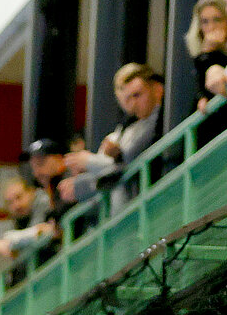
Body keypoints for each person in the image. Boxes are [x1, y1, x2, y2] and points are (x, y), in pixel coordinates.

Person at [59, 65, 166, 213]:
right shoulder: (128, 127)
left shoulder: (162, 118)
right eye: (128, 98)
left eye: (137, 95)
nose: (133, 103)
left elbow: (130, 163)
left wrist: (90, 162)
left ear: (157, 89)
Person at [184, 0, 227, 111]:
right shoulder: (198, 57)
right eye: (205, 22)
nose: (211, 27)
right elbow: (200, 93)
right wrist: (206, 53)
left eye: (217, 20)